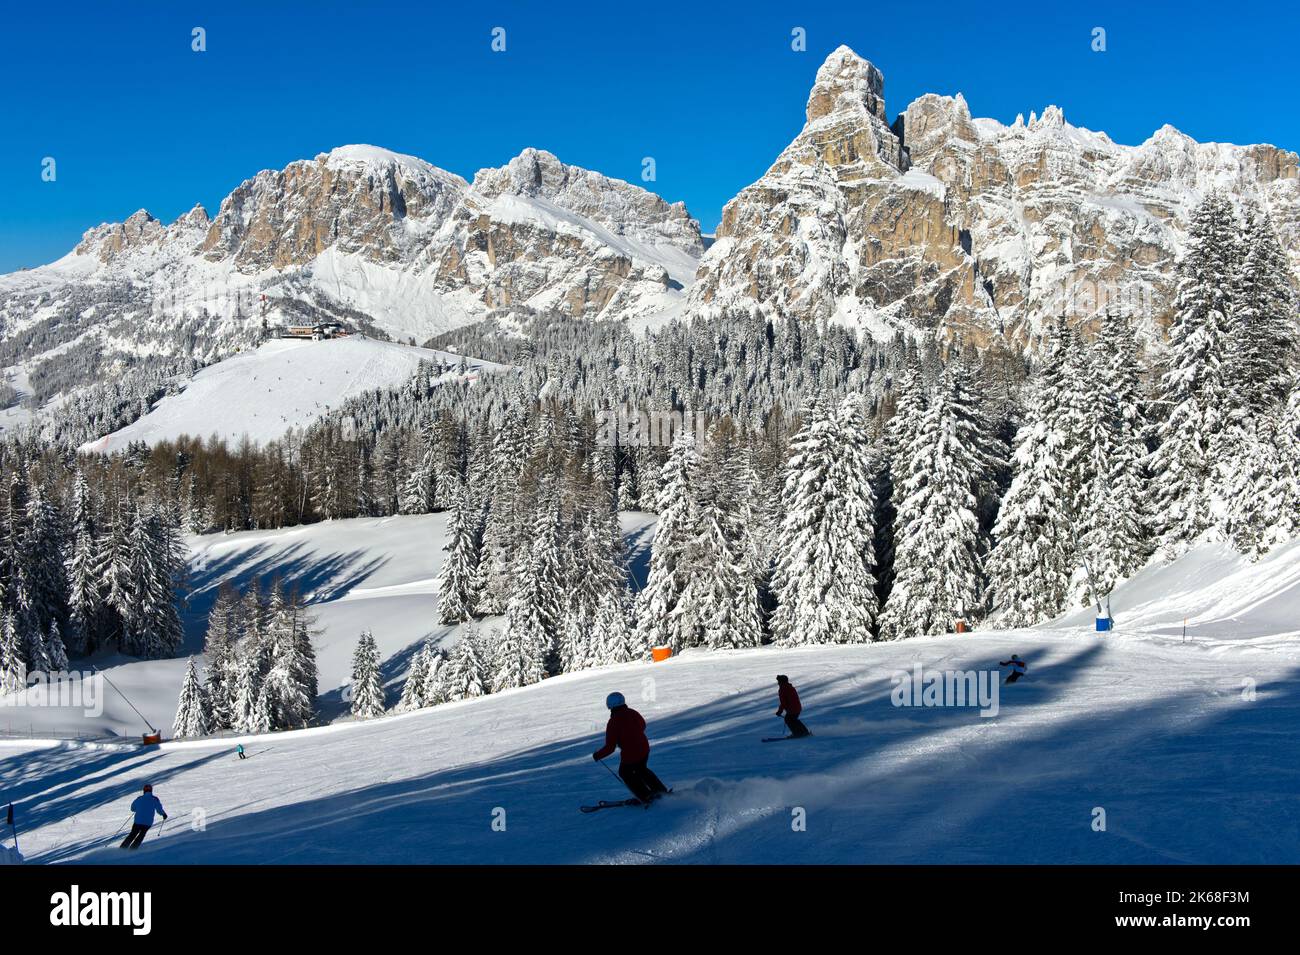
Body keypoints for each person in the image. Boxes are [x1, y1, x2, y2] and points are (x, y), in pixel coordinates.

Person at [593, 692, 669, 804]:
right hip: (644, 748)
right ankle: (660, 791)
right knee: (642, 770)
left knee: (625, 773)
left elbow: (610, 747)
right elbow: (643, 725)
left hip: (631, 754)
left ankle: (646, 796)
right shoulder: (632, 712)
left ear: (610, 705)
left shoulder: (613, 722)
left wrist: (597, 755)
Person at [120, 784, 167, 850]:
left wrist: (138, 809)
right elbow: (159, 809)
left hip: (138, 821)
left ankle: (123, 848)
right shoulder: (155, 799)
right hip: (147, 822)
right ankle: (133, 849)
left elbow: (132, 808)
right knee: (141, 835)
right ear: (151, 791)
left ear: (144, 791)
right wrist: (164, 814)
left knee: (133, 834)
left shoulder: (139, 798)